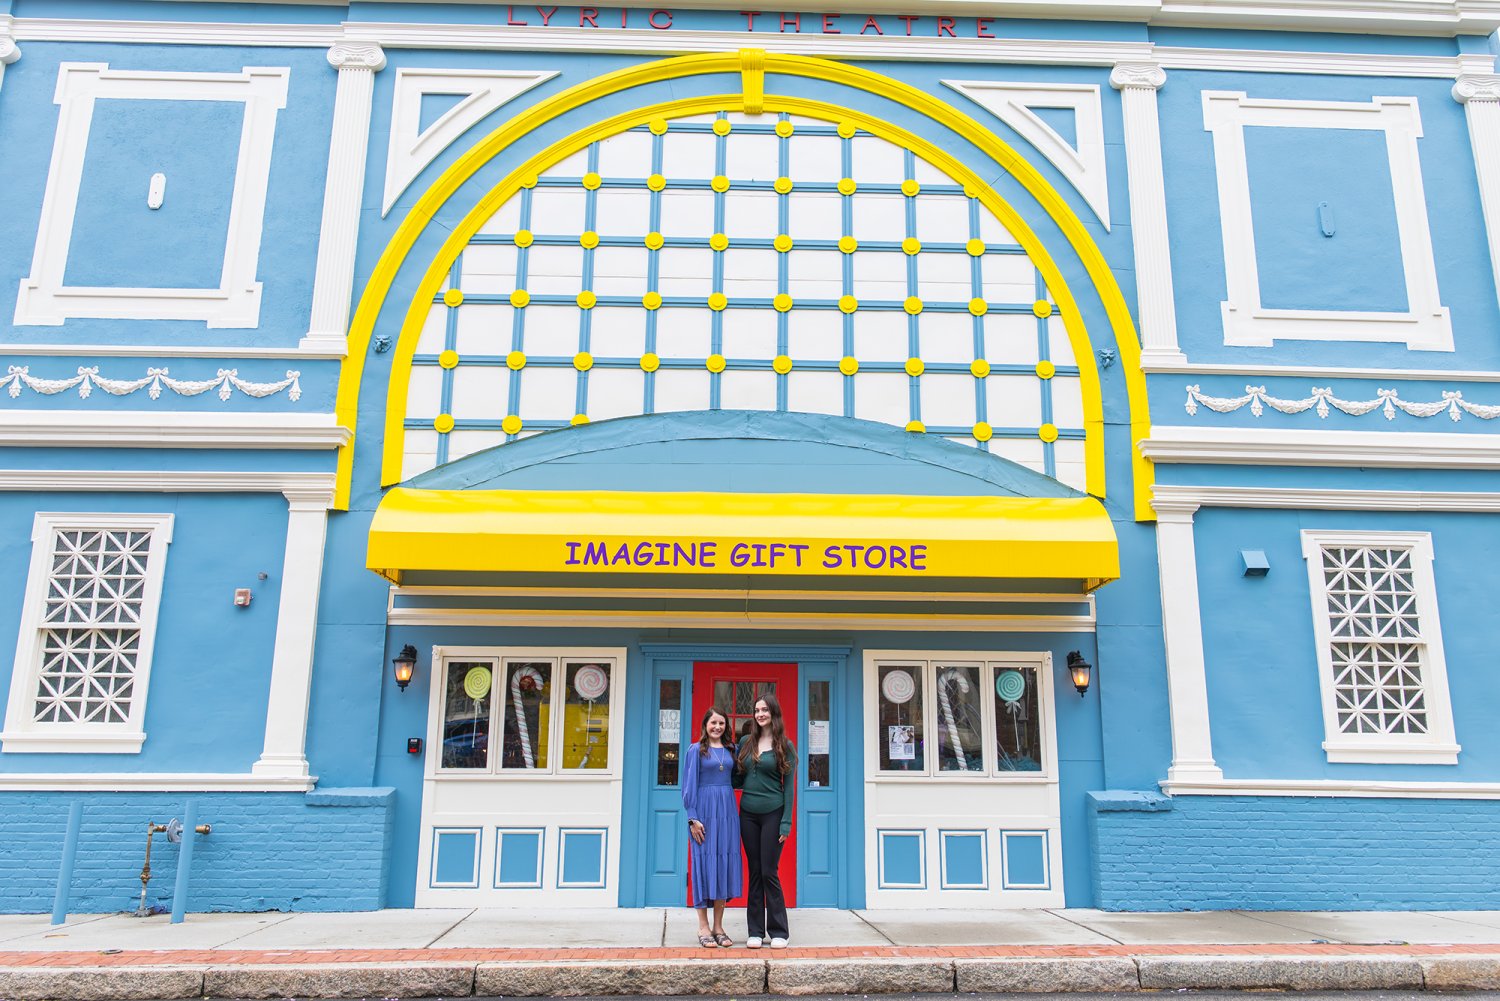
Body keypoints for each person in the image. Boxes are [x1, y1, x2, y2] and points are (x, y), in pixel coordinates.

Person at [734, 693, 796, 949]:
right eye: (757, 710)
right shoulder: (746, 741)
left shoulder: (785, 744)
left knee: (770, 871)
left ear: (773, 713)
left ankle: (779, 931)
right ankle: (755, 931)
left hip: (773, 812)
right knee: (755, 871)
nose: (760, 714)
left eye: (764, 710)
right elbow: (737, 776)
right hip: (748, 813)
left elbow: (789, 786)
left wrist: (786, 822)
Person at [681, 706, 740, 948]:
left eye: (722, 724)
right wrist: (692, 818)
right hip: (703, 812)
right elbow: (688, 785)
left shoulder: (731, 750)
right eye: (713, 723)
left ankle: (718, 926)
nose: (717, 727)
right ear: (706, 724)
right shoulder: (696, 750)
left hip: (726, 812)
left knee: (723, 863)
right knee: (704, 864)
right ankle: (703, 926)